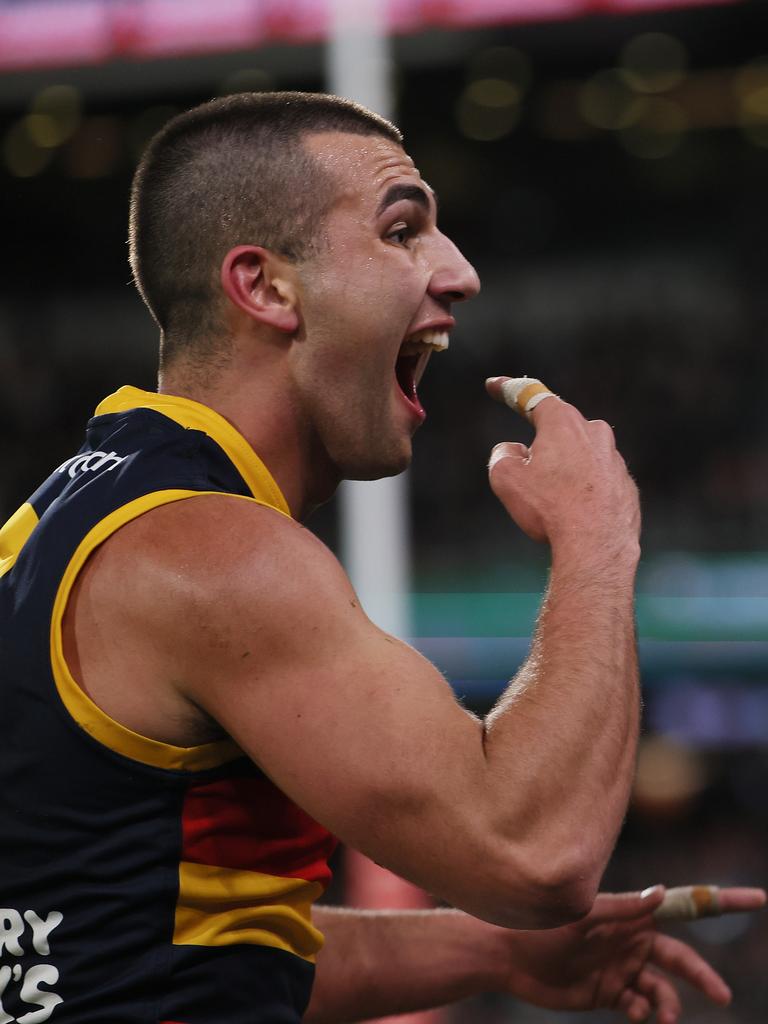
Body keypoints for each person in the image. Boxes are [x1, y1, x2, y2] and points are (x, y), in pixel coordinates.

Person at [0, 91, 762, 1023]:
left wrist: (492, 955)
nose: (460, 272)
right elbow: (536, 855)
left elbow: (185, 943)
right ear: (267, 287)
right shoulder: (216, 555)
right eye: (402, 231)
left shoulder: (51, 527)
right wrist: (598, 538)